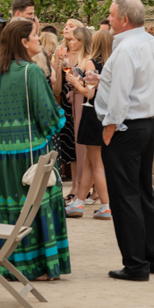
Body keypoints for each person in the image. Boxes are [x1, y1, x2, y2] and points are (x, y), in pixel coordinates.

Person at [91, 0, 154, 282]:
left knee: (125, 197)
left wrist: (110, 126)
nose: (108, 19)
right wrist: (102, 83)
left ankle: (136, 264)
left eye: (111, 15)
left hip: (125, 127)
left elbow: (122, 94)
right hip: (148, 124)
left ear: (124, 19)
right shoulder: (150, 41)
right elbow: (136, 84)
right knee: (144, 193)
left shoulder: (125, 50)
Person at [0, 18, 71, 280]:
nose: (39, 41)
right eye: (35, 37)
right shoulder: (31, 71)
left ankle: (9, 265)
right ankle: (41, 268)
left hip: (2, 158)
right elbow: (49, 117)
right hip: (31, 155)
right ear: (23, 42)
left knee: (11, 210)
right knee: (35, 209)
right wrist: (59, 119)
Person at [64, 27, 113, 219]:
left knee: (97, 163)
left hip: (92, 114)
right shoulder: (112, 64)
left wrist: (76, 83)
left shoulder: (93, 62)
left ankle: (106, 205)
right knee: (89, 162)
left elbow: (90, 93)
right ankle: (78, 202)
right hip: (105, 115)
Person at [58, 27, 100, 218]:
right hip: (75, 102)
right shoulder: (77, 59)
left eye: (74, 40)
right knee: (79, 148)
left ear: (82, 41)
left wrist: (75, 83)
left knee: (86, 150)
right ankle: (81, 193)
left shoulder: (89, 60)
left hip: (85, 105)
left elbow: (90, 89)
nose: (70, 42)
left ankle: (92, 194)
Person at [52, 18, 86, 200]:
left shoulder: (85, 56)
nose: (66, 28)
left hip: (81, 102)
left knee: (84, 144)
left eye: (71, 26)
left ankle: (88, 186)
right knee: (70, 146)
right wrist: (58, 62)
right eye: (65, 25)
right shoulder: (61, 53)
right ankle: (74, 186)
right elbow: (56, 87)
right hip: (66, 103)